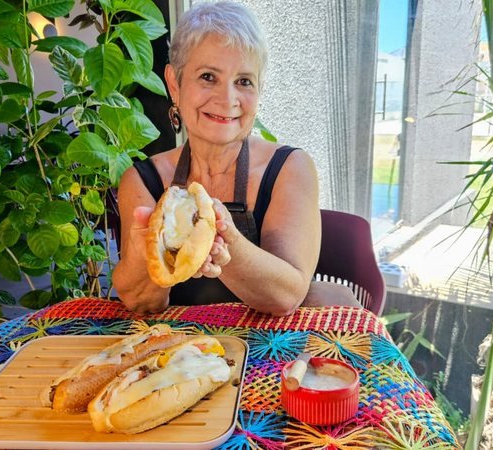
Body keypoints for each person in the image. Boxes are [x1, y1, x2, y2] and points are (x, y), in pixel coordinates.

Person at [112, 1, 360, 315]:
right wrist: (146, 251)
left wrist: (223, 236)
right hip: (181, 354)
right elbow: (142, 303)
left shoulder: (289, 167)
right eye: (208, 77)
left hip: (271, 351)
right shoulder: (143, 179)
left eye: (243, 81)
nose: (227, 99)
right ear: (175, 83)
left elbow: (287, 294)